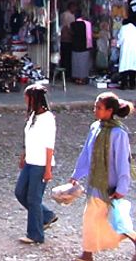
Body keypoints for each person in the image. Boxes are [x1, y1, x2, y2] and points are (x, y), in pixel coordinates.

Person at [70, 92, 136, 261]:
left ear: (109, 111)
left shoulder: (118, 133)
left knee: (113, 220)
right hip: (95, 183)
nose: (95, 110)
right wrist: (77, 174)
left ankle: (87, 254)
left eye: (99, 108)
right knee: (95, 218)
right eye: (95, 107)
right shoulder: (95, 127)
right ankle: (87, 253)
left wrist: (122, 187)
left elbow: (123, 161)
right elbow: (86, 153)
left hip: (110, 186)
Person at [14, 84, 57, 244]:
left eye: (27, 98)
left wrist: (47, 169)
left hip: (40, 164)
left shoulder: (48, 119)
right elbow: (28, 137)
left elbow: (49, 146)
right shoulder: (33, 116)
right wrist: (24, 155)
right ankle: (46, 216)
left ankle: (35, 234)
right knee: (20, 192)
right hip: (30, 161)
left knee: (33, 199)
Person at [117, 18, 136, 90]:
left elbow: (121, 38)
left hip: (125, 50)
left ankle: (123, 85)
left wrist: (118, 45)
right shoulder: (135, 28)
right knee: (133, 68)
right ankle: (132, 85)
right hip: (134, 50)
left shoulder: (123, 28)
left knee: (124, 67)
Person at [60, 2, 79, 73]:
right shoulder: (66, 15)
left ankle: (66, 72)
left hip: (68, 39)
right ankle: (65, 73)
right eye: (74, 7)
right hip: (66, 38)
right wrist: (72, 34)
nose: (75, 9)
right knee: (66, 57)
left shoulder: (72, 15)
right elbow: (66, 27)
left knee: (66, 57)